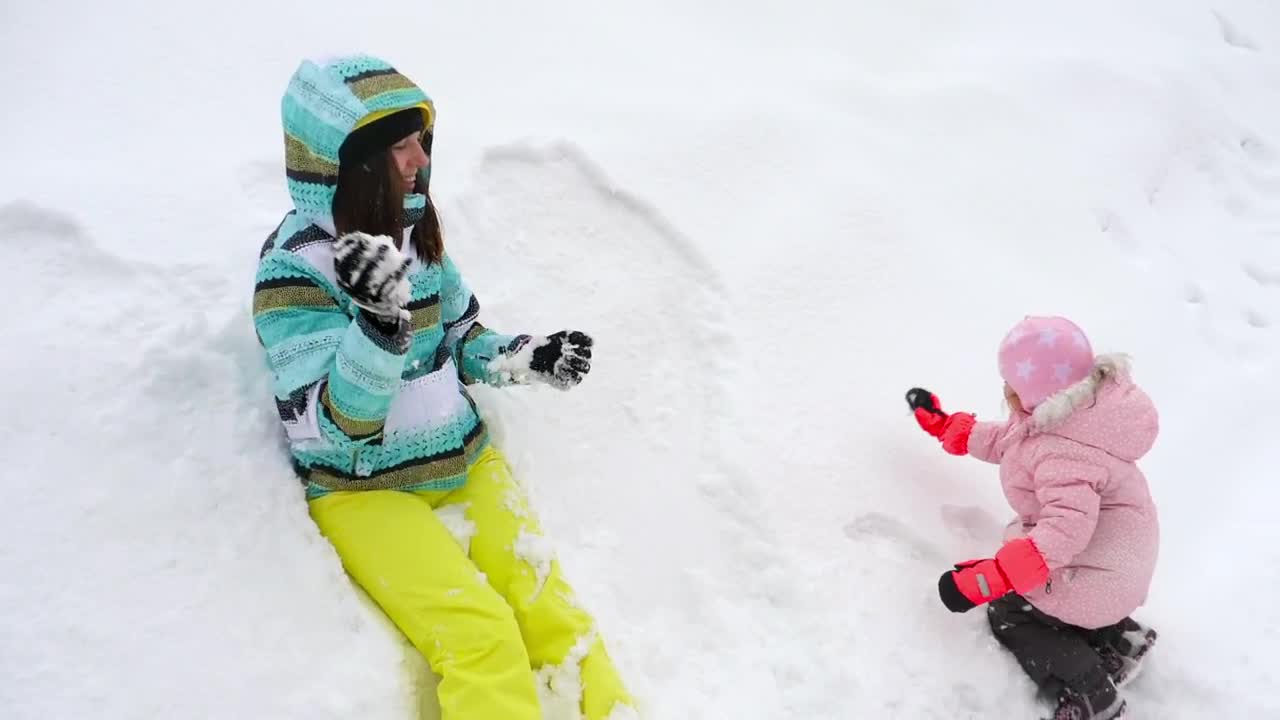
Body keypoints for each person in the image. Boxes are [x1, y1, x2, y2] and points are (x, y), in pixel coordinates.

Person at [253, 54, 635, 720]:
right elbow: (336, 422)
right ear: (342, 162)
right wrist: (377, 329)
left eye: (420, 140)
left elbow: (458, 335)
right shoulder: (295, 269)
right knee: (479, 634)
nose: (417, 160)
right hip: (363, 487)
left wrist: (523, 356)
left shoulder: (412, 230)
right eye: (397, 146)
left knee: (550, 607)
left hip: (460, 456)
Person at [907, 316, 1160, 720]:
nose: (1006, 391)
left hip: (1094, 570)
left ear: (1041, 390)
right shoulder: (1077, 417)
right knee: (1071, 591)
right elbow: (1009, 440)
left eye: (1013, 385)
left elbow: (1064, 531)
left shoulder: (1064, 453)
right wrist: (946, 426)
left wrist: (993, 578)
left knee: (1012, 612)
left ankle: (1091, 692)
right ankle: (1121, 639)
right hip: (1118, 566)